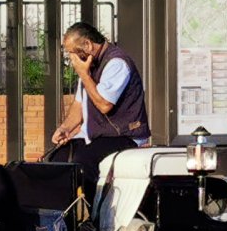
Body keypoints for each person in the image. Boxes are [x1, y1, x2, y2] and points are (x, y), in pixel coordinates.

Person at [46, 22, 150, 194]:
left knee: (84, 161)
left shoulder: (117, 63)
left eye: (72, 52)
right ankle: (63, 216)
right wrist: (65, 128)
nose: (71, 59)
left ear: (87, 45)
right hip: (98, 135)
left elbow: (104, 105)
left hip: (125, 134)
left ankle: (93, 215)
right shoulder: (88, 66)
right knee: (57, 159)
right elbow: (79, 105)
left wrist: (84, 75)